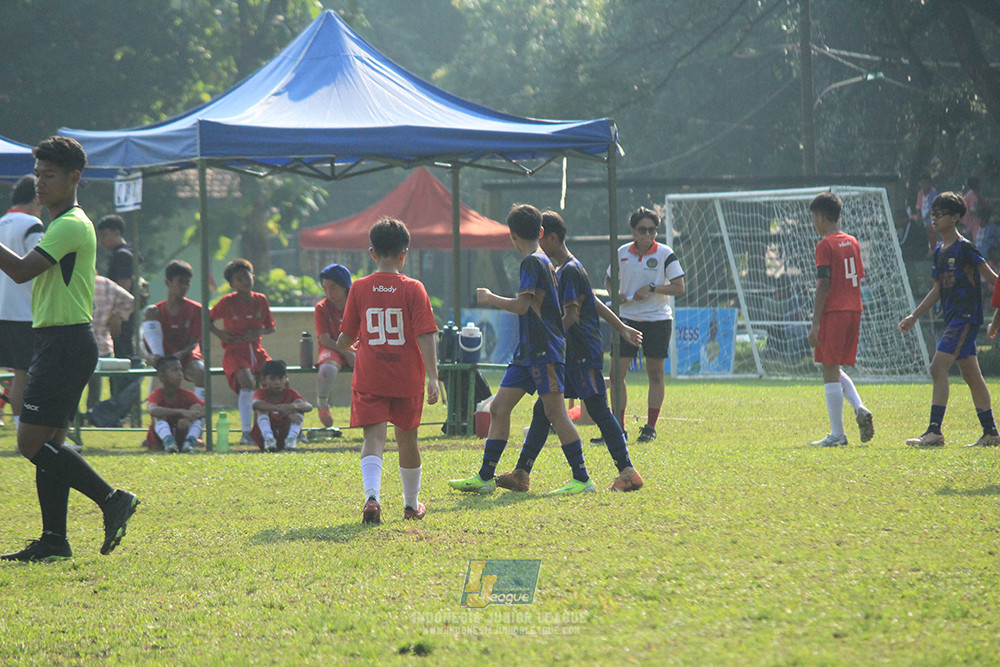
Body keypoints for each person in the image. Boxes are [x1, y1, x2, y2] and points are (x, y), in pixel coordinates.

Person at [0, 136, 138, 563]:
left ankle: (112, 498)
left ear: (74, 178)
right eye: (37, 175)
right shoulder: (63, 222)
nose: (39, 183)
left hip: (64, 343)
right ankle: (54, 540)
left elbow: (21, 272)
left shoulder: (71, 225)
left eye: (49, 175)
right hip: (58, 342)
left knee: (30, 443)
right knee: (51, 446)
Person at [493, 210, 645, 493]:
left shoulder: (570, 270)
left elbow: (573, 315)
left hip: (581, 353)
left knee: (598, 409)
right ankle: (522, 472)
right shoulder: (566, 269)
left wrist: (549, 337)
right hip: (571, 352)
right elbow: (595, 304)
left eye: (543, 239)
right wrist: (622, 326)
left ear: (551, 237)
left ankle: (627, 471)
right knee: (545, 411)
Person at [449, 204, 593, 496]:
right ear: (540, 232)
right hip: (527, 353)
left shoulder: (532, 263)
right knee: (499, 408)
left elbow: (522, 306)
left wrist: (489, 297)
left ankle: (582, 478)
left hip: (545, 351)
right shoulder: (543, 261)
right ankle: (485, 477)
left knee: (556, 413)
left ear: (512, 236)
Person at [337, 217, 439, 524]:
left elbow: (346, 336)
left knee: (374, 439)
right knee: (408, 440)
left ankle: (372, 498)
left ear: (372, 253)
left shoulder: (359, 288)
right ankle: (411, 505)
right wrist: (433, 375)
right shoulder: (414, 288)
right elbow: (425, 334)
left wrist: (347, 346)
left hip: (371, 374)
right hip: (406, 375)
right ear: (404, 253)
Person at [900, 192, 1000, 448]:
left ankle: (934, 432)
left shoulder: (965, 248)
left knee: (937, 368)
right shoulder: (939, 251)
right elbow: (937, 291)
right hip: (953, 318)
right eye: (932, 213)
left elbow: (992, 278)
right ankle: (991, 433)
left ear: (956, 217)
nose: (934, 218)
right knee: (972, 376)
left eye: (940, 213)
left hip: (966, 318)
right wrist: (914, 316)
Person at [602, 206, 685, 445]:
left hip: (657, 319)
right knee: (616, 373)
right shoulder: (622, 252)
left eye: (652, 230)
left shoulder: (665, 253)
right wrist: (614, 293)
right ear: (633, 231)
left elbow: (679, 287)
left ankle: (650, 427)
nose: (648, 234)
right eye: (643, 230)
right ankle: (619, 427)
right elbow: (609, 278)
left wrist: (651, 288)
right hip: (626, 319)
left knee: (656, 374)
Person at [806, 192, 874, 447]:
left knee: (828, 368)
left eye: (814, 218)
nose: (814, 223)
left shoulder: (825, 245)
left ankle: (837, 434)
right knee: (832, 366)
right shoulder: (852, 242)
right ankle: (859, 407)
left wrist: (816, 322)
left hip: (834, 312)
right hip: (854, 309)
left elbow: (823, 285)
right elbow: (857, 277)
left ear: (821, 217)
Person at [209, 258, 275, 445]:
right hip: (235, 351)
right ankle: (246, 432)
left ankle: (274, 427)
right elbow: (207, 319)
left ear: (253, 277)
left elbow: (271, 327)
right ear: (232, 284)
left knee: (274, 378)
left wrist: (258, 332)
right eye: (239, 279)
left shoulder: (261, 300)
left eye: (247, 277)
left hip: (256, 349)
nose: (245, 282)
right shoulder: (227, 302)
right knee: (247, 382)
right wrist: (220, 334)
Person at [0, 175, 44, 429]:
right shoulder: (32, 224)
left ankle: (20, 426)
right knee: (26, 373)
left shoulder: (2, 222)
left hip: (3, 308)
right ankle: (24, 429)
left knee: (19, 372)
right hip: (25, 310)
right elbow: (41, 266)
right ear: (36, 197)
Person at [140, 260, 205, 399]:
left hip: (186, 356)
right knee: (150, 310)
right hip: (162, 358)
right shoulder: (155, 311)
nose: (185, 286)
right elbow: (142, 342)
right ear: (168, 283)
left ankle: (199, 416)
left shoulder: (196, 309)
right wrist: (150, 357)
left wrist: (178, 356)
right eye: (180, 282)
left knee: (200, 372)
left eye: (187, 282)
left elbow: (194, 342)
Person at [95, 214, 138, 392]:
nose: (102, 240)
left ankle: (118, 407)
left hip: (121, 318)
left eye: (105, 235)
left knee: (119, 363)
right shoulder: (123, 253)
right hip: (122, 316)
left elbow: (124, 288)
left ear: (116, 233)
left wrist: (117, 317)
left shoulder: (122, 255)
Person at [314, 263, 354, 432]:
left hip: (355, 347)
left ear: (345, 286)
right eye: (325, 288)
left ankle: (369, 409)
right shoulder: (322, 308)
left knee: (371, 368)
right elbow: (325, 339)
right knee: (326, 371)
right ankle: (322, 405)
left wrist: (354, 352)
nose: (329, 293)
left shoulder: (356, 304)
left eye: (333, 287)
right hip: (332, 349)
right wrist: (346, 353)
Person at [88, 273, 135, 410]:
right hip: (104, 345)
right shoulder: (106, 284)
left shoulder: (74, 281)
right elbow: (129, 300)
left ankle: (87, 413)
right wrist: (118, 316)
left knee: (89, 384)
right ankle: (104, 413)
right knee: (106, 383)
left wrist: (117, 317)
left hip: (81, 346)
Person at [144, 355, 204, 453]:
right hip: (158, 443)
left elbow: (204, 409)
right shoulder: (157, 394)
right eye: (175, 370)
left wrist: (193, 413)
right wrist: (181, 412)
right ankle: (168, 442)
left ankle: (189, 443)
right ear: (162, 376)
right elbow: (152, 410)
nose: (180, 374)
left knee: (194, 415)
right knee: (159, 417)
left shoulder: (186, 394)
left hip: (181, 437)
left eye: (180, 370)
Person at [251, 359, 312, 451]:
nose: (278, 382)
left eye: (281, 378)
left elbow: (308, 406)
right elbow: (255, 404)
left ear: (286, 378)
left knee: (299, 406)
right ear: (263, 380)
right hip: (263, 439)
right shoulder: (261, 393)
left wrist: (292, 407)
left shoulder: (290, 393)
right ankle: (268, 438)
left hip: (283, 435)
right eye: (273, 379)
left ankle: (291, 438)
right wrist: (279, 408)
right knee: (261, 409)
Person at [910, 173, 939, 255]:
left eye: (926, 183)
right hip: (922, 216)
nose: (924, 186)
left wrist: (926, 217)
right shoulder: (920, 193)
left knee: (930, 229)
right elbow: (918, 207)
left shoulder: (934, 192)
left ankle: (934, 249)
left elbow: (934, 208)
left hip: (932, 217)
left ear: (930, 183)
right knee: (911, 220)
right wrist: (919, 216)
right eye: (922, 183)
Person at [962, 176, 990, 245]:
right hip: (967, 218)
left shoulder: (973, 194)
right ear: (976, 185)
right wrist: (980, 215)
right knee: (977, 222)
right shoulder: (973, 197)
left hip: (965, 216)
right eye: (980, 184)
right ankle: (976, 241)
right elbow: (973, 210)